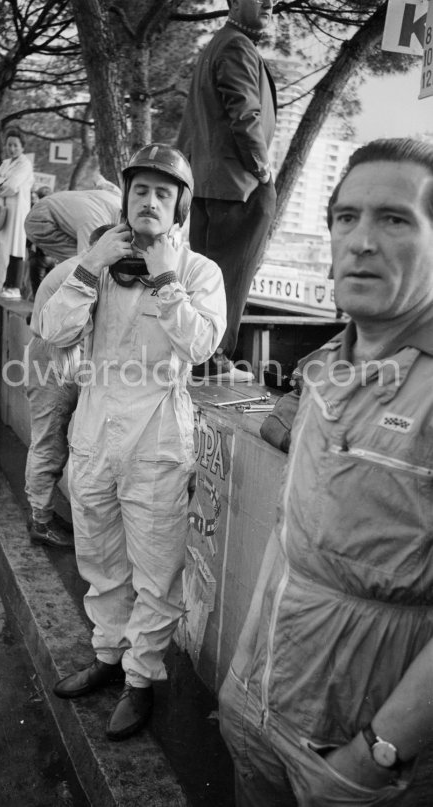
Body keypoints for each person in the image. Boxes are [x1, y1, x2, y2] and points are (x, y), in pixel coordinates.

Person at [218, 137, 433, 806]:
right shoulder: (322, 371)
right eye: (346, 217)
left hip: (355, 762)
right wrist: (237, 686)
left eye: (394, 219)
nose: (361, 240)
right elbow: (291, 540)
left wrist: (374, 756)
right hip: (258, 715)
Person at [41, 143, 226, 740]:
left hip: (156, 445)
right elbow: (52, 329)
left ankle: (141, 681)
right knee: (98, 560)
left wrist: (167, 278)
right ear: (125, 198)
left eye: (163, 193)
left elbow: (200, 346)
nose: (149, 201)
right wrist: (90, 265)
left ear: (180, 209)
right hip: (94, 437)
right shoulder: (98, 261)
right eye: (140, 190)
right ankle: (105, 657)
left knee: (155, 572)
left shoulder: (199, 273)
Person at [177, 0, 277, 382]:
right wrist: (261, 169)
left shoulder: (219, 43)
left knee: (208, 274)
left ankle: (202, 358)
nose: (271, 3)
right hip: (238, 186)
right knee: (230, 277)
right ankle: (214, 359)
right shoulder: (237, 45)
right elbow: (245, 112)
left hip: (210, 184)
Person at [24, 225, 113, 549]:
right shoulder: (84, 269)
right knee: (48, 440)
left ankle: (43, 511)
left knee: (52, 439)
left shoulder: (77, 265)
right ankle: (40, 520)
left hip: (58, 353)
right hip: (51, 355)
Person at [24, 177, 122, 265]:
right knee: (84, 260)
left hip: (49, 207)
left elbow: (100, 180)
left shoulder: (118, 197)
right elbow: (88, 261)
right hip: (41, 220)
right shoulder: (96, 222)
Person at [0, 127, 34, 297]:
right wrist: (2, 185)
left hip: (17, 211)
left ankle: (14, 286)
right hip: (3, 209)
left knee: (16, 245)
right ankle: (3, 283)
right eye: (9, 145)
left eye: (15, 145)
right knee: (2, 245)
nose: (12, 148)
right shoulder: (6, 163)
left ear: (22, 147)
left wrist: (0, 184)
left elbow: (12, 185)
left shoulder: (25, 164)